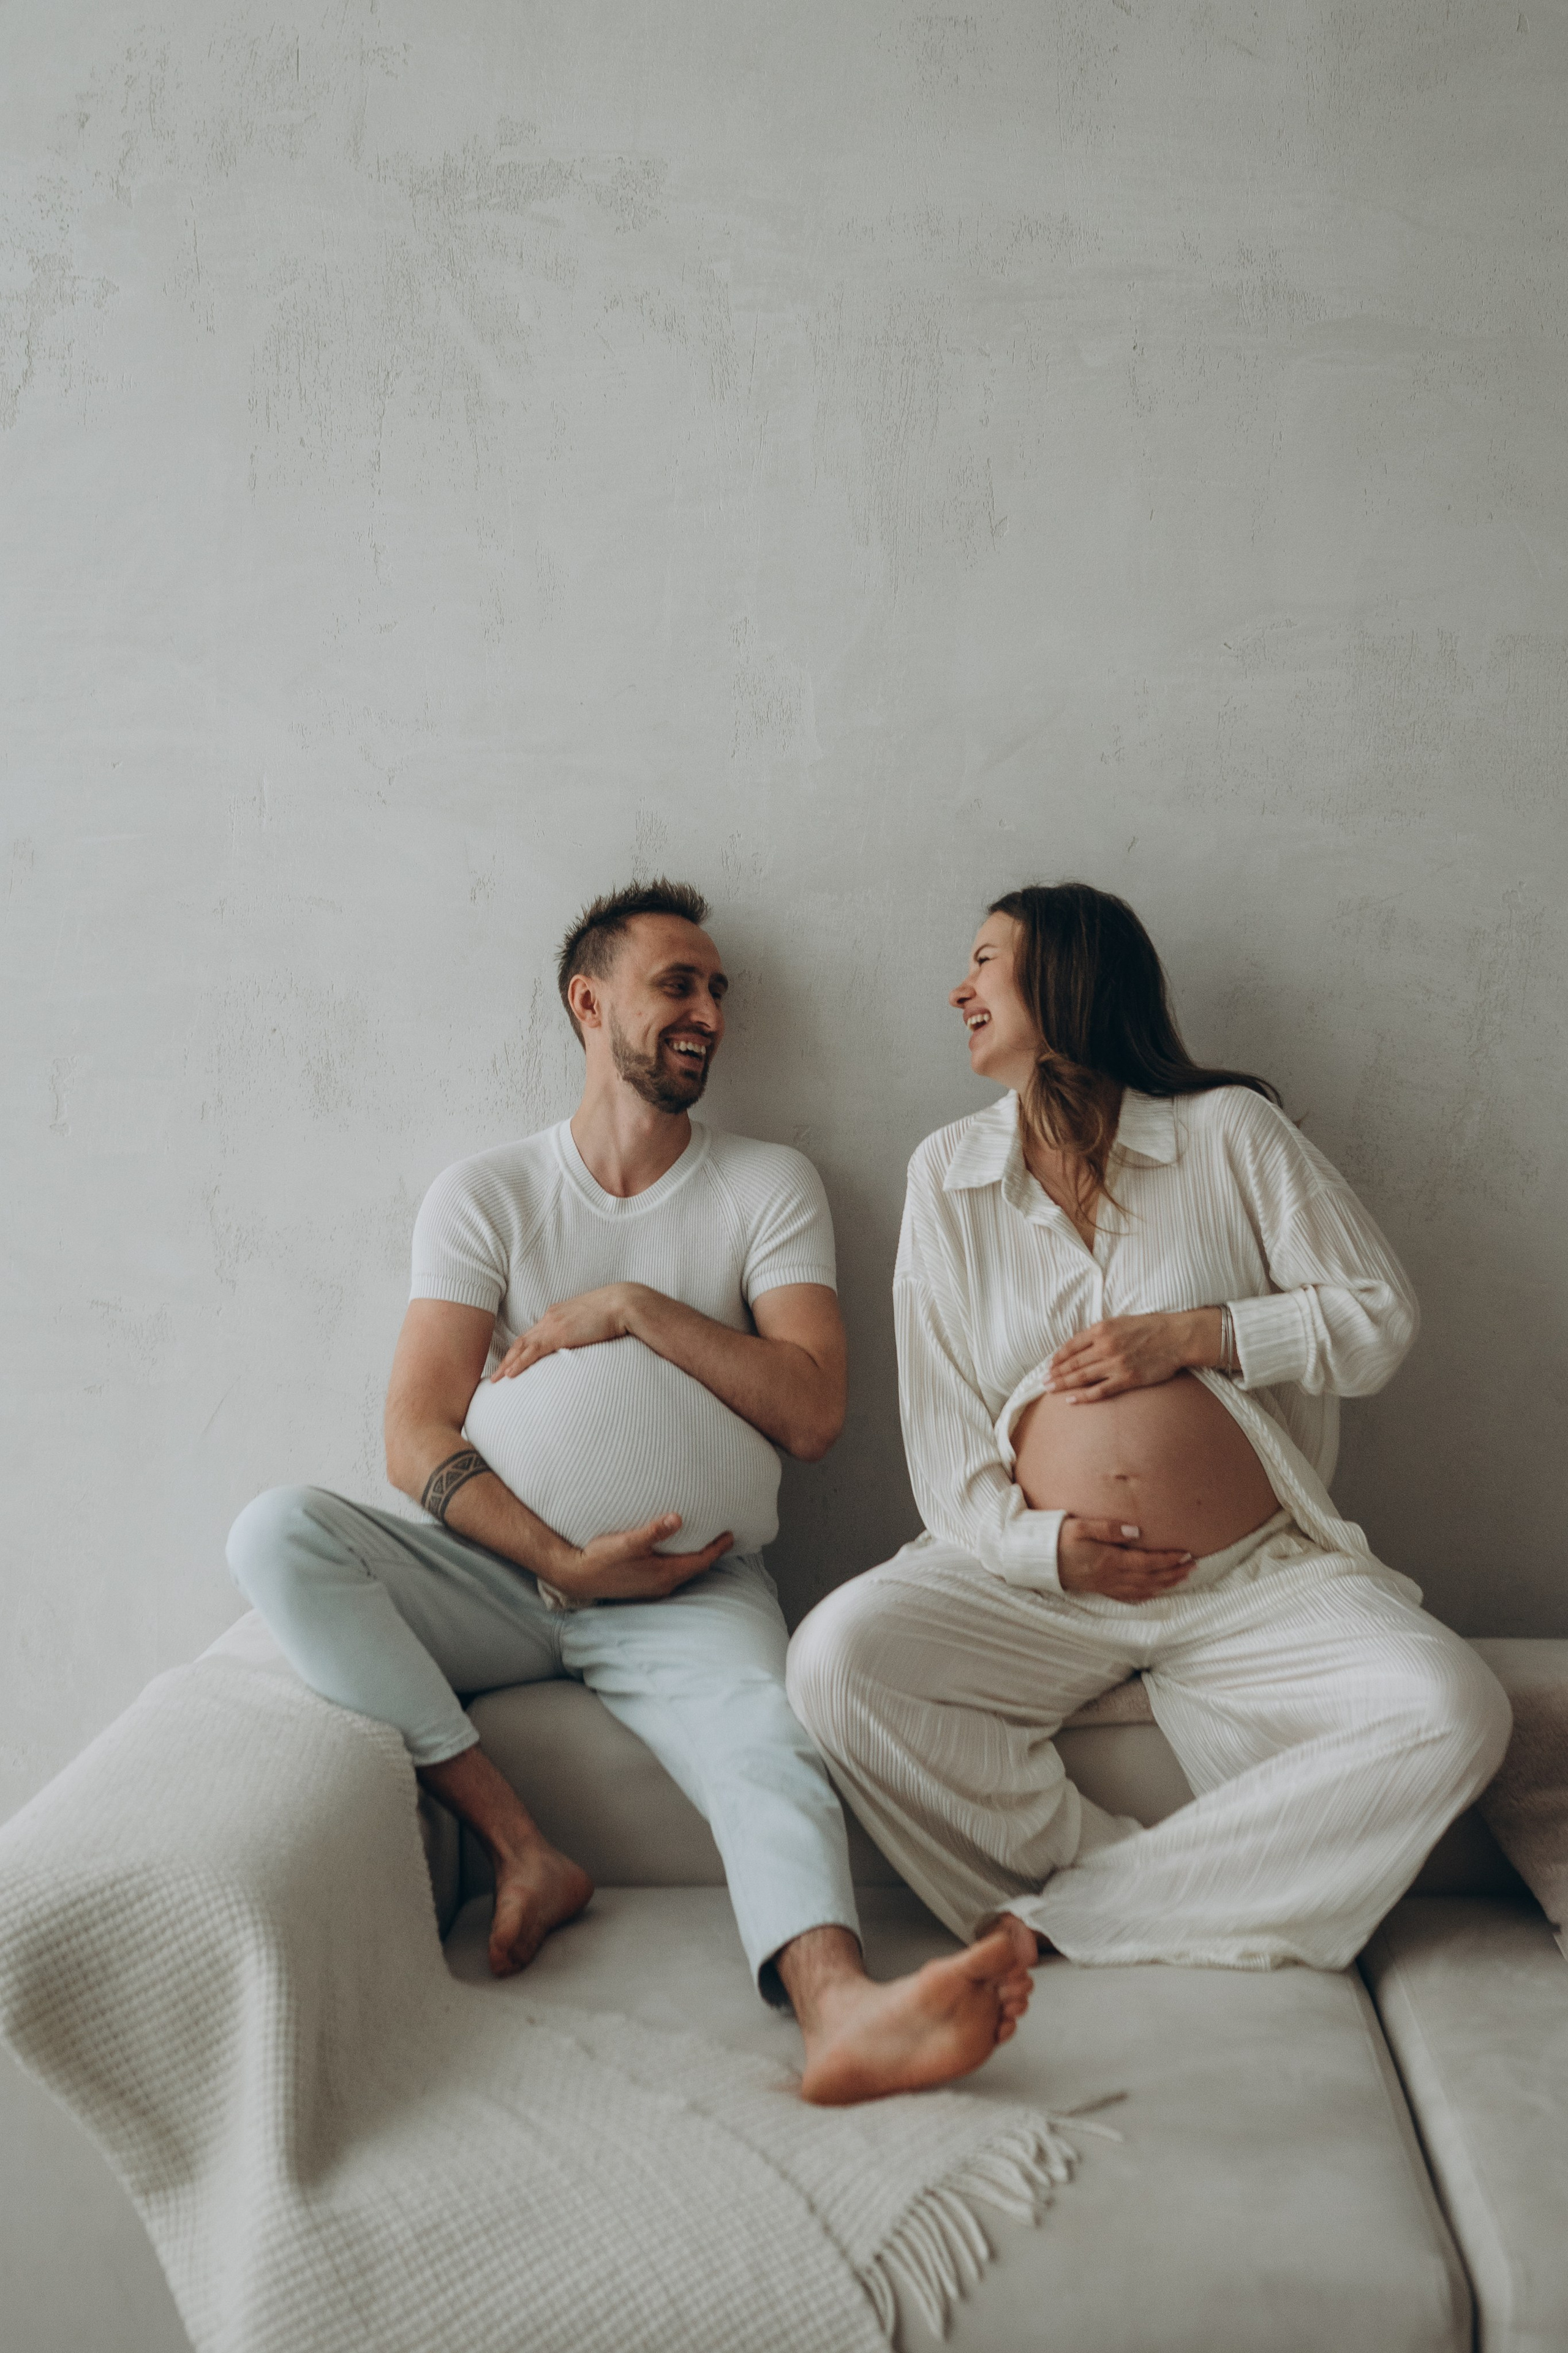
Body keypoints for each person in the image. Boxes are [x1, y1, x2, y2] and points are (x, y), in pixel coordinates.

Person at [227, 878, 1033, 2105]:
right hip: (501, 1576)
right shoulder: (488, 1191)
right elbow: (412, 1432)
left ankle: (840, 2010)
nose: (706, 1009)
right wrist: (553, 1556)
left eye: (717, 991)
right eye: (677, 984)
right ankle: (521, 1849)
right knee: (276, 1531)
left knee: (768, 1738)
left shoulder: (768, 1183)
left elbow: (813, 1411)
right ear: (588, 1001)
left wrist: (634, 1311)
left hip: (689, 1586)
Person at [787, 882, 1511, 1971]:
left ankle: (1071, 1920)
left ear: (1067, 976)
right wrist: (1043, 1548)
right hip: (1039, 1583)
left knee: (1455, 1708)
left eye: (985, 961)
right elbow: (943, 1436)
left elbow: (1378, 1319)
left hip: (1251, 1578)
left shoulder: (1230, 1131)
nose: (959, 988)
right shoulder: (948, 1172)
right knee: (836, 1661)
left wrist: (1203, 1334)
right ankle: (1113, 1884)